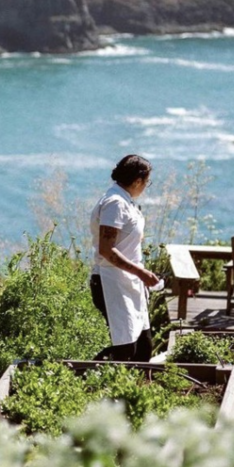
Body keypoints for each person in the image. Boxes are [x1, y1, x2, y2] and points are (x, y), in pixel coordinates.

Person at [90, 154, 159, 362]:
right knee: (126, 349)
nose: (146, 186)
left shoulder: (126, 202)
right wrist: (141, 272)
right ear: (138, 181)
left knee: (144, 346)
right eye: (147, 182)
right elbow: (106, 249)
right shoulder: (115, 203)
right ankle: (88, 374)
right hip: (111, 282)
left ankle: (136, 390)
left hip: (129, 282)